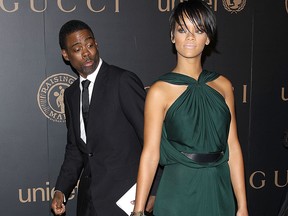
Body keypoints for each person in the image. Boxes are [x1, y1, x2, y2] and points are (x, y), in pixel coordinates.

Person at [132, 1, 248, 216]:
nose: (191, 37)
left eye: (199, 30)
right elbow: (150, 154)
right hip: (178, 192)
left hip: (219, 190)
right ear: (172, 36)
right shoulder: (159, 91)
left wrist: (242, 206)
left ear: (208, 38)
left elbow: (233, 146)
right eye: (182, 29)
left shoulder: (223, 86)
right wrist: (138, 212)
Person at [51, 20, 159, 216]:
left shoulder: (122, 81)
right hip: (89, 203)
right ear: (65, 55)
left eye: (90, 45)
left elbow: (152, 138)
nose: (86, 53)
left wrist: (154, 191)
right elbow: (76, 148)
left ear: (96, 44)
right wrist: (61, 190)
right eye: (77, 49)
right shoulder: (71, 94)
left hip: (128, 201)